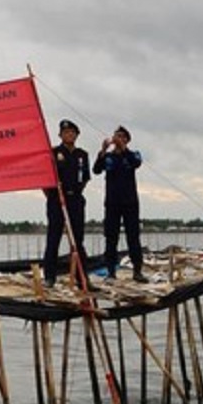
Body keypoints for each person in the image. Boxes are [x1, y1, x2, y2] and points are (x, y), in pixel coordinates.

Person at [41, 118, 91, 288]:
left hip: (75, 200)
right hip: (56, 200)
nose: (69, 135)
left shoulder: (82, 155)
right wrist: (53, 195)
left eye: (72, 132)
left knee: (77, 241)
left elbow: (85, 179)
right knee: (53, 238)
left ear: (76, 135)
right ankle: (49, 277)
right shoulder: (53, 153)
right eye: (65, 132)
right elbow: (45, 180)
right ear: (60, 135)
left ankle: (82, 278)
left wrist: (74, 193)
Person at [94, 125, 146, 282]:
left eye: (122, 137)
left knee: (133, 237)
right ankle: (111, 272)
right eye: (117, 136)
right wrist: (102, 151)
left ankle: (137, 271)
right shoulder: (108, 156)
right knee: (111, 238)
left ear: (127, 140)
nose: (118, 139)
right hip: (112, 203)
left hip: (130, 203)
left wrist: (124, 149)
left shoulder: (133, 155)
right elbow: (96, 170)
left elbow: (136, 163)